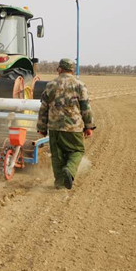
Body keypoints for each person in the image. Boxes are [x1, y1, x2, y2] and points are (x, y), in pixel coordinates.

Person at [36, 58, 95, 189]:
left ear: (59, 69)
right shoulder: (79, 85)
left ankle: (59, 183)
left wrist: (41, 128)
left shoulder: (50, 85)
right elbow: (85, 107)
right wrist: (89, 126)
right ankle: (69, 170)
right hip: (73, 127)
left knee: (57, 156)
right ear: (72, 70)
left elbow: (43, 108)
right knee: (77, 150)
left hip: (54, 127)